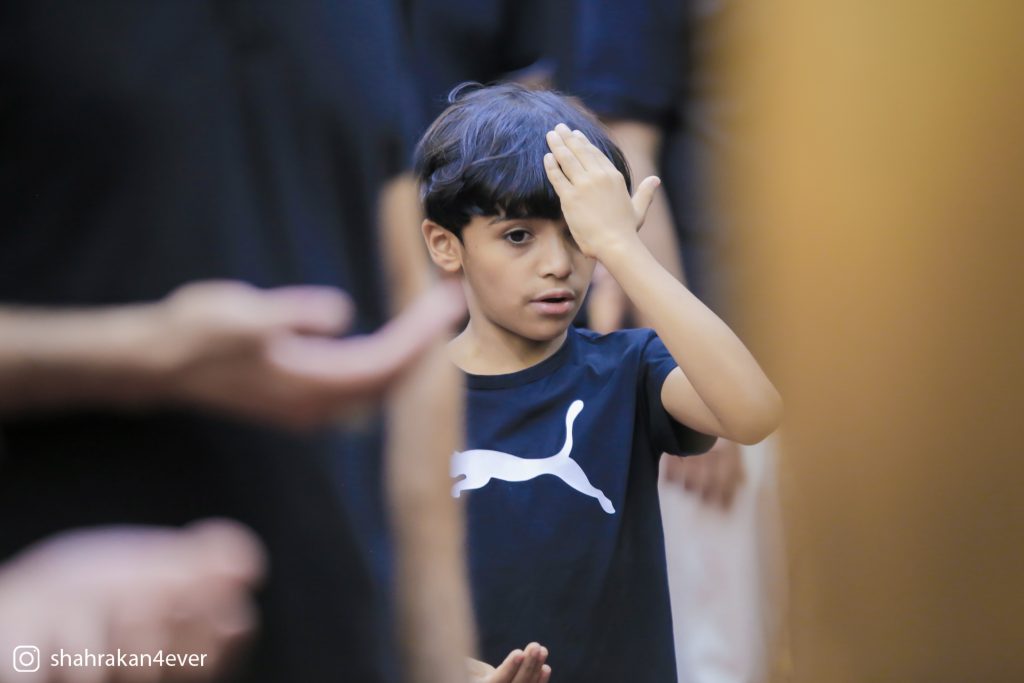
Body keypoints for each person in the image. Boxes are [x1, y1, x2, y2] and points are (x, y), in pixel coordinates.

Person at [0, 3, 473, 681]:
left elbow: (412, 332)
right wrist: (146, 354)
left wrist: (439, 664)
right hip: (75, 644)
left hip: (334, 643)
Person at [414, 83, 782, 682]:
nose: (559, 264)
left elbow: (754, 412)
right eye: (518, 236)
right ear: (445, 244)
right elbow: (374, 587)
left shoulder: (630, 368)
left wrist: (621, 248)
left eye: (576, 234)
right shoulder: (411, 401)